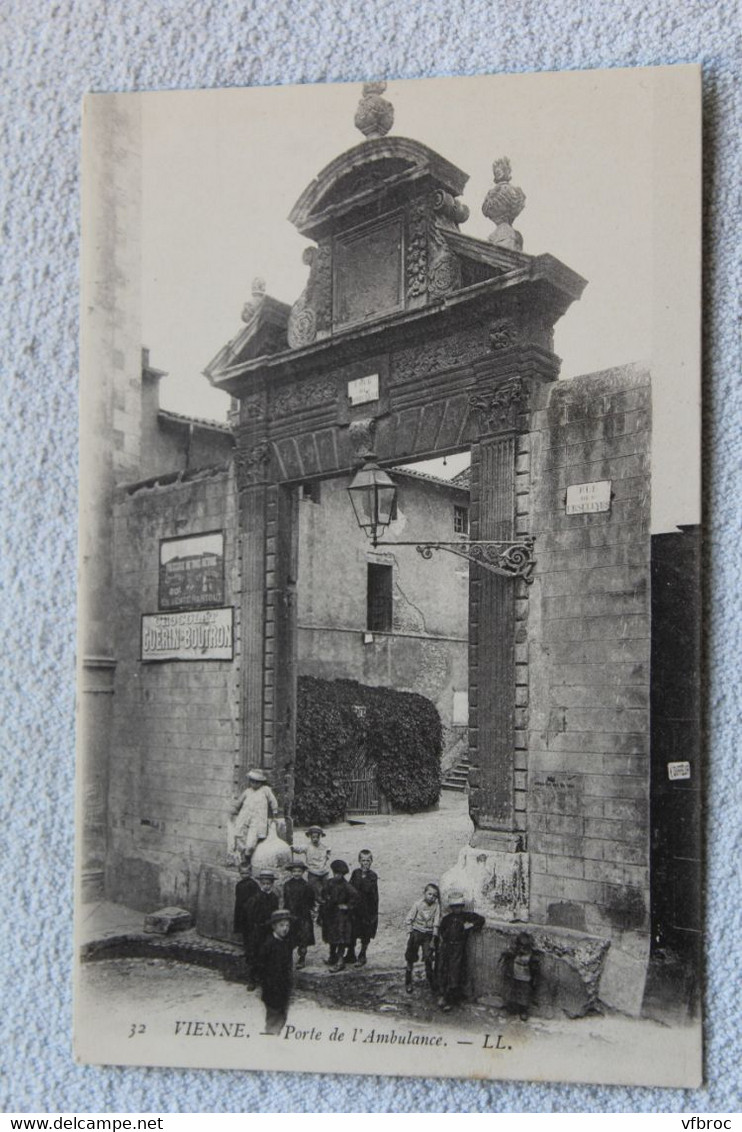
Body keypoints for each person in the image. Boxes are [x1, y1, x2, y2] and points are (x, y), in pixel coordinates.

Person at [436, 893, 484, 1012]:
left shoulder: (466, 916)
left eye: (459, 906)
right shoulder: (447, 919)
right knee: (444, 970)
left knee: (456, 972)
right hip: (447, 948)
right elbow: (441, 930)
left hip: (459, 949)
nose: (457, 909)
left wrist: (471, 925)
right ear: (451, 907)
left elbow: (481, 919)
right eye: (454, 907)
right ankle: (443, 996)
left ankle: (452, 998)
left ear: (462, 907)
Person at [240, 868, 279, 990]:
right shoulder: (255, 898)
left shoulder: (274, 898)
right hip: (256, 930)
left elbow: (275, 913)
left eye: (268, 884)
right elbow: (249, 913)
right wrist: (254, 925)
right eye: (264, 884)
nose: (266, 886)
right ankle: (252, 979)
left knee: (267, 955)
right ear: (260, 884)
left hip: (268, 930)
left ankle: (265, 979)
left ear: (272, 884)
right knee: (254, 954)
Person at [230, 769, 278, 865]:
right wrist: (234, 811)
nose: (254, 784)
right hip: (244, 818)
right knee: (239, 837)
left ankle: (248, 857)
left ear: (261, 782)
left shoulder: (265, 790)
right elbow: (238, 803)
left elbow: (273, 801)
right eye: (252, 781)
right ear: (250, 781)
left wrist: (275, 814)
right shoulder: (247, 791)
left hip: (257, 821)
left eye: (257, 782)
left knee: (251, 844)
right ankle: (244, 860)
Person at [320, 859, 358, 972]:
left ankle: (340, 960)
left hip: (341, 917)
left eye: (340, 874)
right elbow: (323, 892)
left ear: (343, 874)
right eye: (335, 873)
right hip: (330, 914)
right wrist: (325, 899)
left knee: (341, 938)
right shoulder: (329, 882)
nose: (337, 876)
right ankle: (332, 957)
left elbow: (355, 897)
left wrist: (347, 906)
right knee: (331, 936)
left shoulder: (346, 886)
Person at [260, 909, 294, 1035]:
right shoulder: (268, 945)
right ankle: (270, 1039)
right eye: (281, 925)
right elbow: (262, 968)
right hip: (272, 988)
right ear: (273, 926)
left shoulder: (286, 942)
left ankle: (276, 1035)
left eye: (287, 925)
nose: (285, 929)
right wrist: (268, 985)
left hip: (284, 987)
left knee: (283, 1016)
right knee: (273, 1017)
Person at [403, 883, 441, 993]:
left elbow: (436, 922)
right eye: (429, 894)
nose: (432, 897)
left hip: (428, 935)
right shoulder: (417, 904)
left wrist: (434, 938)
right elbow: (409, 919)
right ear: (424, 893)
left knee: (428, 957)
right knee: (410, 957)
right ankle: (408, 981)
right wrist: (410, 932)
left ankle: (431, 980)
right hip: (416, 933)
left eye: (434, 895)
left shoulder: (436, 906)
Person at [282, 860, 316, 969]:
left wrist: (309, 910)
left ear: (303, 872)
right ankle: (287, 959)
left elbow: (311, 901)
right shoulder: (287, 885)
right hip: (290, 916)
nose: (296, 873)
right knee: (289, 937)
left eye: (299, 871)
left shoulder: (307, 886)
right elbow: (286, 900)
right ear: (291, 872)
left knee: (303, 938)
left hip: (303, 916)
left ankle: (302, 958)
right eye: (294, 871)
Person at [348, 850, 379, 967]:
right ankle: (350, 953)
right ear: (359, 861)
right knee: (352, 931)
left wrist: (372, 913)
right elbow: (350, 887)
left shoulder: (372, 876)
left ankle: (362, 954)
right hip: (355, 909)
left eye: (367, 860)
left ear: (371, 861)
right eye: (363, 860)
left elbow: (370, 892)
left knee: (365, 932)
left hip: (367, 908)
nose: (365, 863)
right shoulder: (355, 873)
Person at [500, 931, 538, 1020]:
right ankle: (512, 1007)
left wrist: (534, 978)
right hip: (514, 976)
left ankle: (523, 1010)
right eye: (520, 946)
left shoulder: (531, 956)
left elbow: (535, 968)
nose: (522, 948)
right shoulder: (514, 953)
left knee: (524, 995)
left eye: (525, 947)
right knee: (512, 992)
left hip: (525, 978)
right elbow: (506, 956)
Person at [296, 826, 331, 907]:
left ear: (320, 836)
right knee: (313, 886)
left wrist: (326, 858)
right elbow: (299, 849)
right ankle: (316, 900)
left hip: (323, 870)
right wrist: (293, 848)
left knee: (326, 886)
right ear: (310, 837)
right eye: (313, 837)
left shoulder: (324, 847)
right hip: (313, 871)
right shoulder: (307, 846)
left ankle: (326, 898)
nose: (315, 839)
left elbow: (328, 854)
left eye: (317, 837)